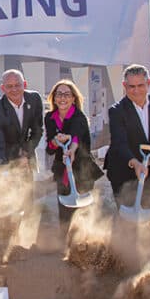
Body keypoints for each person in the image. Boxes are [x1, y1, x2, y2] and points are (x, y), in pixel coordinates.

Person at [103, 64, 150, 216]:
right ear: (124, 86)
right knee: (128, 218)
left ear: (148, 83)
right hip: (123, 169)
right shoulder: (116, 111)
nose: (136, 91)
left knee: (149, 214)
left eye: (140, 85)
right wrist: (135, 163)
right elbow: (119, 143)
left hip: (149, 170)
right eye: (131, 86)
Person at [44, 79, 103, 238]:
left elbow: (76, 136)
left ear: (73, 98)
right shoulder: (50, 118)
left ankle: (85, 241)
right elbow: (49, 148)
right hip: (62, 170)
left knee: (83, 210)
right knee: (64, 210)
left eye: (67, 94)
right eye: (59, 94)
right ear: (54, 98)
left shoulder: (79, 117)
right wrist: (55, 141)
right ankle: (65, 242)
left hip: (81, 170)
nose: (62, 98)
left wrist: (71, 148)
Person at [0, 69, 44, 169]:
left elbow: (37, 130)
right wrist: (4, 167)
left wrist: (26, 152)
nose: (14, 89)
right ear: (3, 88)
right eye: (9, 86)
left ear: (24, 84)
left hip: (26, 158)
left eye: (17, 85)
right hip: (2, 158)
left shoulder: (34, 99)